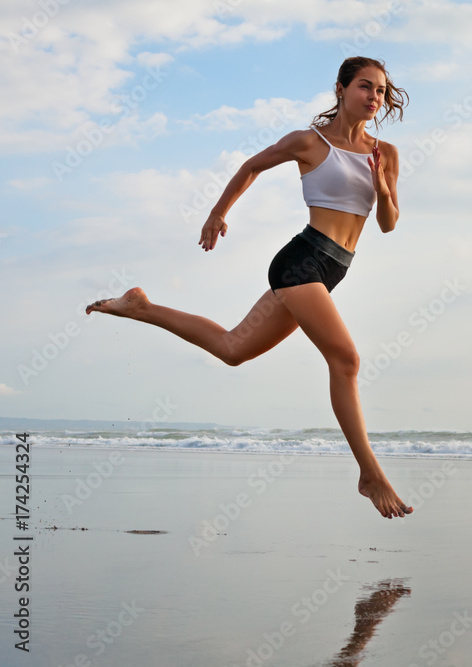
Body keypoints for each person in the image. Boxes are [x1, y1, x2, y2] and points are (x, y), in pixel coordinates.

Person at [86, 56, 413, 519]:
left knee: (233, 348)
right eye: (365, 86)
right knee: (346, 359)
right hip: (302, 262)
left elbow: (389, 224)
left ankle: (141, 307)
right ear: (340, 89)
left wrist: (381, 189)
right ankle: (369, 474)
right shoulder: (309, 142)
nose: (374, 97)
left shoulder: (387, 154)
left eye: (380, 91)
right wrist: (219, 212)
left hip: (335, 268)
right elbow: (252, 166)